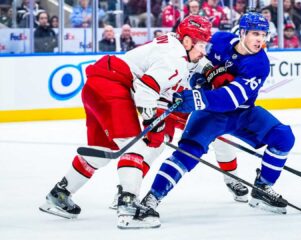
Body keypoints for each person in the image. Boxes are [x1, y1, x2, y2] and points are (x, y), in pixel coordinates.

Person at [39, 15, 212, 229]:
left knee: (101, 150)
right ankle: (128, 208)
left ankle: (59, 194)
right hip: (113, 87)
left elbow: (161, 84)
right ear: (187, 41)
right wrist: (155, 124)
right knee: (137, 148)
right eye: (202, 44)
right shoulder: (176, 59)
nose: (204, 51)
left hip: (96, 86)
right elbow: (147, 89)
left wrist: (203, 69)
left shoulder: (172, 42)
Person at [141, 12, 295, 219]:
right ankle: (153, 197)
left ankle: (262, 189)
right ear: (242, 33)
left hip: (242, 113)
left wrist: (198, 96)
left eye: (263, 35)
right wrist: (197, 81)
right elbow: (194, 60)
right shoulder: (220, 40)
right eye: (255, 34)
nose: (260, 40)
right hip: (210, 114)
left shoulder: (259, 63)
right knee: (188, 152)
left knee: (283, 137)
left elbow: (231, 98)